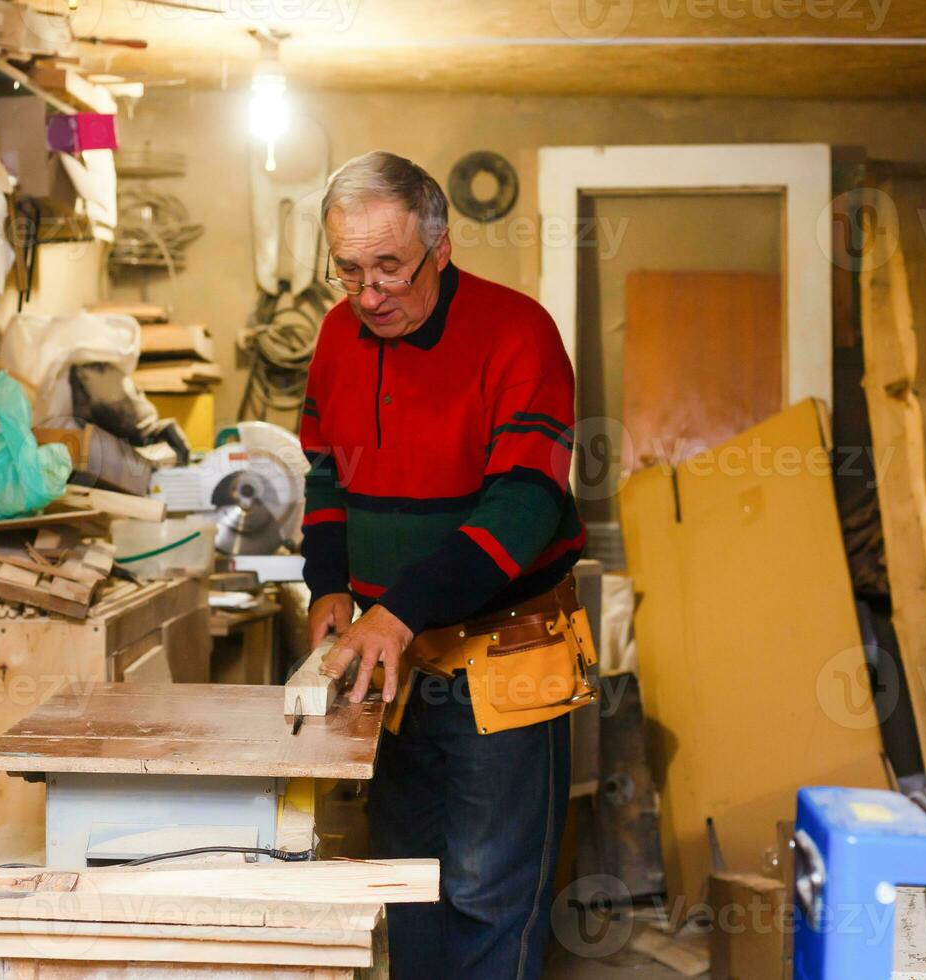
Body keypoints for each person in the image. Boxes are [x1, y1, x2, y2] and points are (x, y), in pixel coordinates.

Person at [298, 150, 594, 979]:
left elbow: (524, 506)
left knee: (487, 893)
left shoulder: (516, 332)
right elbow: (325, 466)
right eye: (349, 271)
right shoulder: (335, 333)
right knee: (408, 885)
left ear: (442, 246)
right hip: (399, 664)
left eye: (390, 267)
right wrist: (328, 579)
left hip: (503, 652)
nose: (369, 294)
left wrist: (397, 608)